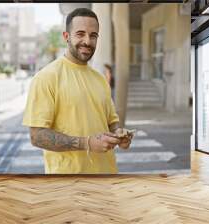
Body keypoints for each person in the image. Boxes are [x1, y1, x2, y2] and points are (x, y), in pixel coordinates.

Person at [22, 8, 133, 174]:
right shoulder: (46, 78)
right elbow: (36, 136)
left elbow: (111, 121)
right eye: (80, 34)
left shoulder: (100, 79)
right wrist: (87, 143)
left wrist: (119, 134)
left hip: (107, 175)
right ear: (66, 37)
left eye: (93, 35)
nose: (87, 41)